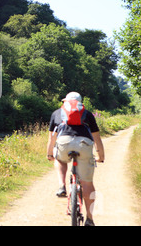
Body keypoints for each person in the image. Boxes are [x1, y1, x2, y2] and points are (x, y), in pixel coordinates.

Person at [46, 92, 105, 226]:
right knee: (87, 184)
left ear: (65, 101)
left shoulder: (57, 113)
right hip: (84, 144)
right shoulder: (87, 114)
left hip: (64, 143)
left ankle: (62, 186)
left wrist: (50, 154)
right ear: (80, 103)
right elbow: (96, 137)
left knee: (59, 159)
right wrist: (101, 156)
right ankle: (89, 219)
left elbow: (52, 138)